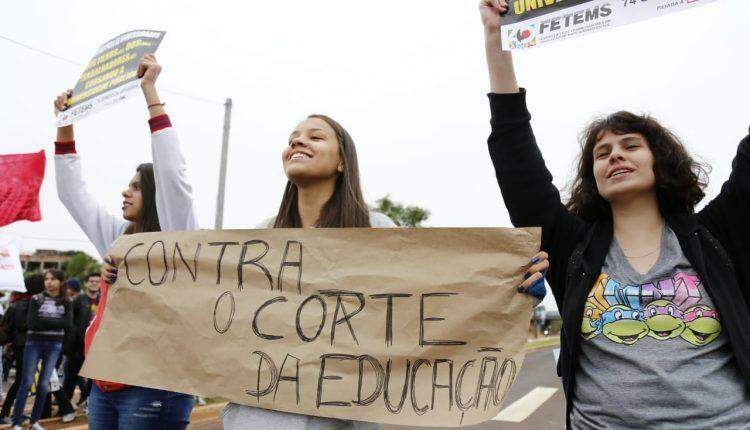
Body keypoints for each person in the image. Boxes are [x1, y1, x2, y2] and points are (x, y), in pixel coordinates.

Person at [106, 110, 549, 428]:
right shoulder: (258, 240)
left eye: (315, 136)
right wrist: (130, 276)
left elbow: (429, 307)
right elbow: (199, 296)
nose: (298, 141)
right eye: (293, 135)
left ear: (341, 161)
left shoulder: (379, 231)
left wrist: (509, 285)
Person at [479, 1, 750, 428]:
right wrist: (496, 39)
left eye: (630, 145)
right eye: (602, 153)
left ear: (659, 160)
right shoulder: (572, 247)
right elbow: (517, 159)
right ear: (594, 176)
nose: (615, 156)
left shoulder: (714, 236)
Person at [53, 54, 198, 430]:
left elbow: (172, 174)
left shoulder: (178, 236)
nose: (125, 191)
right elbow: (72, 194)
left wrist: (150, 91)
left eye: (136, 186)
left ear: (155, 193)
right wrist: (64, 125)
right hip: (105, 383)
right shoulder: (117, 238)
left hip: (154, 385)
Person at [11, 269, 73, 430]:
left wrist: (44, 320)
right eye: (47, 279)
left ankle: (34, 422)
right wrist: (56, 322)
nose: (49, 282)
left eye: (53, 279)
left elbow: (68, 324)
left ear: (60, 281)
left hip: (54, 344)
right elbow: (32, 323)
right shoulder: (36, 299)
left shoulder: (66, 301)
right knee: (26, 382)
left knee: (44, 384)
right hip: (34, 343)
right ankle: (16, 422)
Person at [0, 275, 45, 425]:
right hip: (27, 346)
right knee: (22, 381)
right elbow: (25, 325)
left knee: (22, 381)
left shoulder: (16, 303)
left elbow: (8, 329)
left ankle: (10, 412)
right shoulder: (32, 304)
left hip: (19, 347)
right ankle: (6, 413)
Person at [62, 271, 100, 407]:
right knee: (71, 376)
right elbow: (70, 322)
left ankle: (86, 400)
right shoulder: (78, 300)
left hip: (96, 346)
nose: (94, 284)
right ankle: (65, 406)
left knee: (93, 378)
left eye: (97, 281)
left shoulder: (103, 300)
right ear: (86, 283)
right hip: (78, 346)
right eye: (91, 281)